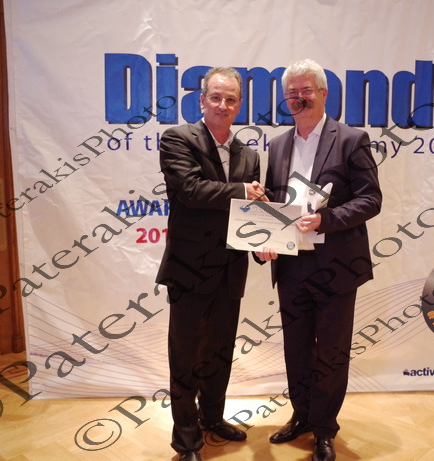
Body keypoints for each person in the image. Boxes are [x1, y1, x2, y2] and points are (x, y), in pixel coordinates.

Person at [256, 59, 382, 461]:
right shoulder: (277, 145)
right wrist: (262, 236)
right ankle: (302, 415)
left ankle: (325, 429)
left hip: (336, 266)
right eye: (291, 92)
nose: (298, 97)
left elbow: (371, 199)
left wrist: (326, 219)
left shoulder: (351, 139)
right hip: (291, 263)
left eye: (305, 90)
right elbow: (274, 203)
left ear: (324, 93)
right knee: (296, 348)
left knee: (330, 352)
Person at [156, 67, 268, 461]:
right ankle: (187, 440)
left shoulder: (249, 155)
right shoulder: (178, 138)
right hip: (188, 270)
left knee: (219, 353)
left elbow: (251, 214)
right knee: (185, 358)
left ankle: (212, 418)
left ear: (239, 105)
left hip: (230, 270)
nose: (223, 105)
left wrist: (265, 243)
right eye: (216, 97)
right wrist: (242, 191)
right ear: (202, 100)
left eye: (231, 99)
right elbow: (190, 190)